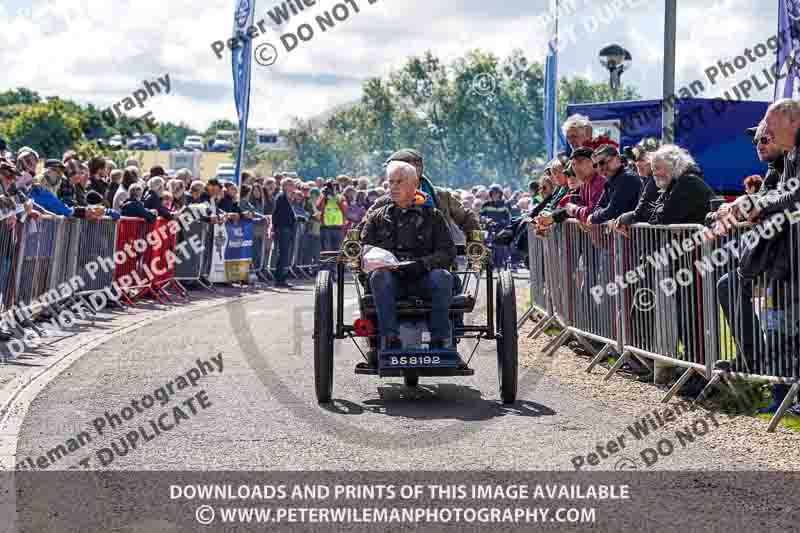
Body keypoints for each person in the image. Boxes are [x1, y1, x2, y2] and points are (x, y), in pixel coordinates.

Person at [714, 100, 800, 413]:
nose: (764, 142)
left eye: (768, 135)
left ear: (792, 122)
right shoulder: (782, 162)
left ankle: (782, 392)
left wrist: (755, 206)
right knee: (776, 321)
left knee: (784, 325)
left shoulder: (791, 156)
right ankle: (767, 376)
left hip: (787, 261)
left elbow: (793, 196)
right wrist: (743, 206)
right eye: (760, 139)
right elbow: (771, 197)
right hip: (778, 261)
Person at [361, 162, 456, 365]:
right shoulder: (377, 217)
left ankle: (440, 340)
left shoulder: (433, 217)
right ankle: (390, 338)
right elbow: (365, 251)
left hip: (424, 278)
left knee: (444, 277)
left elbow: (447, 252)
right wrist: (380, 262)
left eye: (399, 182)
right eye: (390, 182)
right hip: (389, 282)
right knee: (379, 276)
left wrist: (422, 264)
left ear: (414, 186)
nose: (393, 187)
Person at [586, 145, 642, 226]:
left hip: (638, 234)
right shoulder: (610, 181)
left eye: (602, 162)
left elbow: (613, 211)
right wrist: (597, 216)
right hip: (626, 235)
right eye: (595, 165)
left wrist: (593, 218)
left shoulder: (627, 178)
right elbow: (597, 208)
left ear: (617, 158)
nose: (599, 169)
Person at [317, 180, 347, 277]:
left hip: (338, 229)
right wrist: (324, 197)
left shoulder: (340, 197)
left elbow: (345, 209)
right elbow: (318, 207)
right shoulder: (323, 197)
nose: (329, 189)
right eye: (327, 187)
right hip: (326, 228)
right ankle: (325, 273)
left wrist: (334, 197)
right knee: (326, 251)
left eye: (331, 187)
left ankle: (333, 273)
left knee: (337, 251)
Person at [271, 178, 297, 288]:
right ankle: (280, 279)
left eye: (292, 184)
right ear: (285, 186)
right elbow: (277, 214)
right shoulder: (281, 197)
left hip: (287, 228)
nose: (292, 186)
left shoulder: (287, 198)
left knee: (285, 254)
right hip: (283, 228)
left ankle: (281, 278)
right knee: (283, 254)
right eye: (290, 184)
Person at [481, 184, 513, 267]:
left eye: (497, 193)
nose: (495, 195)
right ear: (490, 194)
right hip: (489, 229)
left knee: (502, 243)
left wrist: (501, 223)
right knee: (485, 240)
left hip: (501, 229)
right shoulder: (486, 205)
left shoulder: (505, 205)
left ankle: (503, 262)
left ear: (500, 194)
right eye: (493, 193)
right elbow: (481, 216)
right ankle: (485, 262)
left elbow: (508, 219)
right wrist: (485, 219)